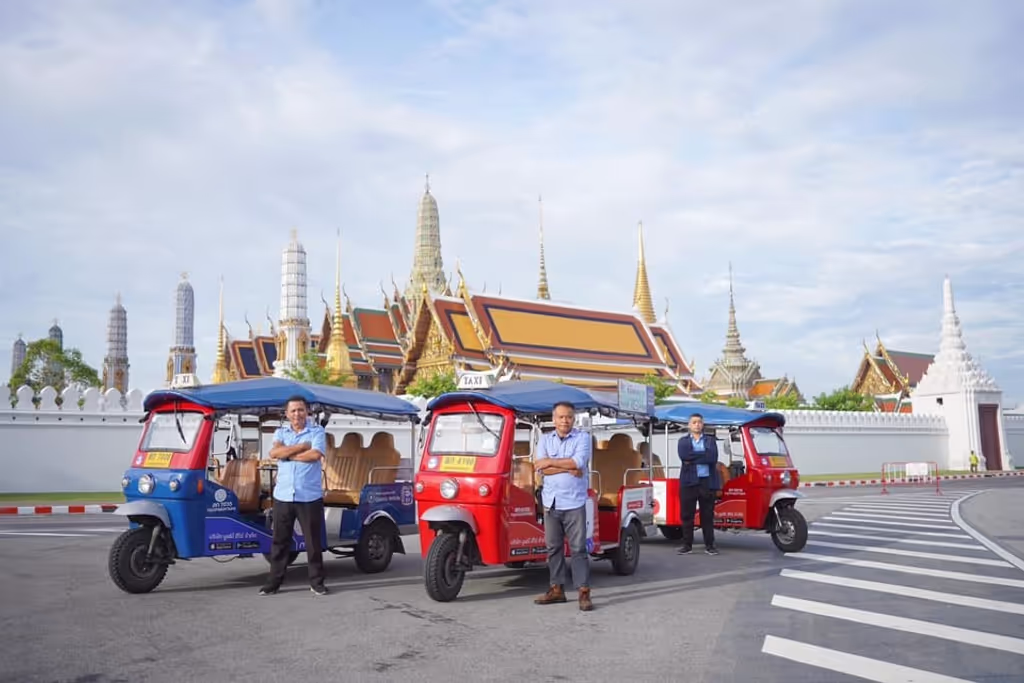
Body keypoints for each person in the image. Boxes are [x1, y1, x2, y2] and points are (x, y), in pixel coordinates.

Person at [259, 395, 329, 596]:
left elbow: (315, 455)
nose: (297, 414)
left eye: (300, 410)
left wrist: (288, 454)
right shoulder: (281, 432)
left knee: (312, 542)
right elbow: (274, 453)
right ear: (287, 414)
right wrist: (301, 448)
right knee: (280, 541)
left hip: (309, 495)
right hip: (283, 495)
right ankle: (273, 583)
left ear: (307, 411)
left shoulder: (317, 431)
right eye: (293, 411)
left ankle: (317, 582)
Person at [532, 401, 594, 611]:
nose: (564, 420)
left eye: (568, 417)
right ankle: (557, 589)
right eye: (560, 417)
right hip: (551, 502)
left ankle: (583, 592)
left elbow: (578, 462)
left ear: (573, 419)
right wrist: (565, 466)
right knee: (553, 548)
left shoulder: (582, 438)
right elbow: (540, 467)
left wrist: (552, 462)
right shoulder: (545, 439)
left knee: (578, 549)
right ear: (553, 419)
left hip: (574, 502)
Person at [677, 413, 720, 555]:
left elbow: (712, 457)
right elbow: (684, 456)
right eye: (694, 422)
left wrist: (693, 458)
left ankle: (710, 546)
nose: (697, 424)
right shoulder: (683, 441)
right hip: (688, 482)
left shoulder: (710, 440)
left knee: (707, 515)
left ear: (703, 424)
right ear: (689, 425)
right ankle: (686, 545)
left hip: (706, 482)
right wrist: (702, 455)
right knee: (687, 515)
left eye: (699, 422)